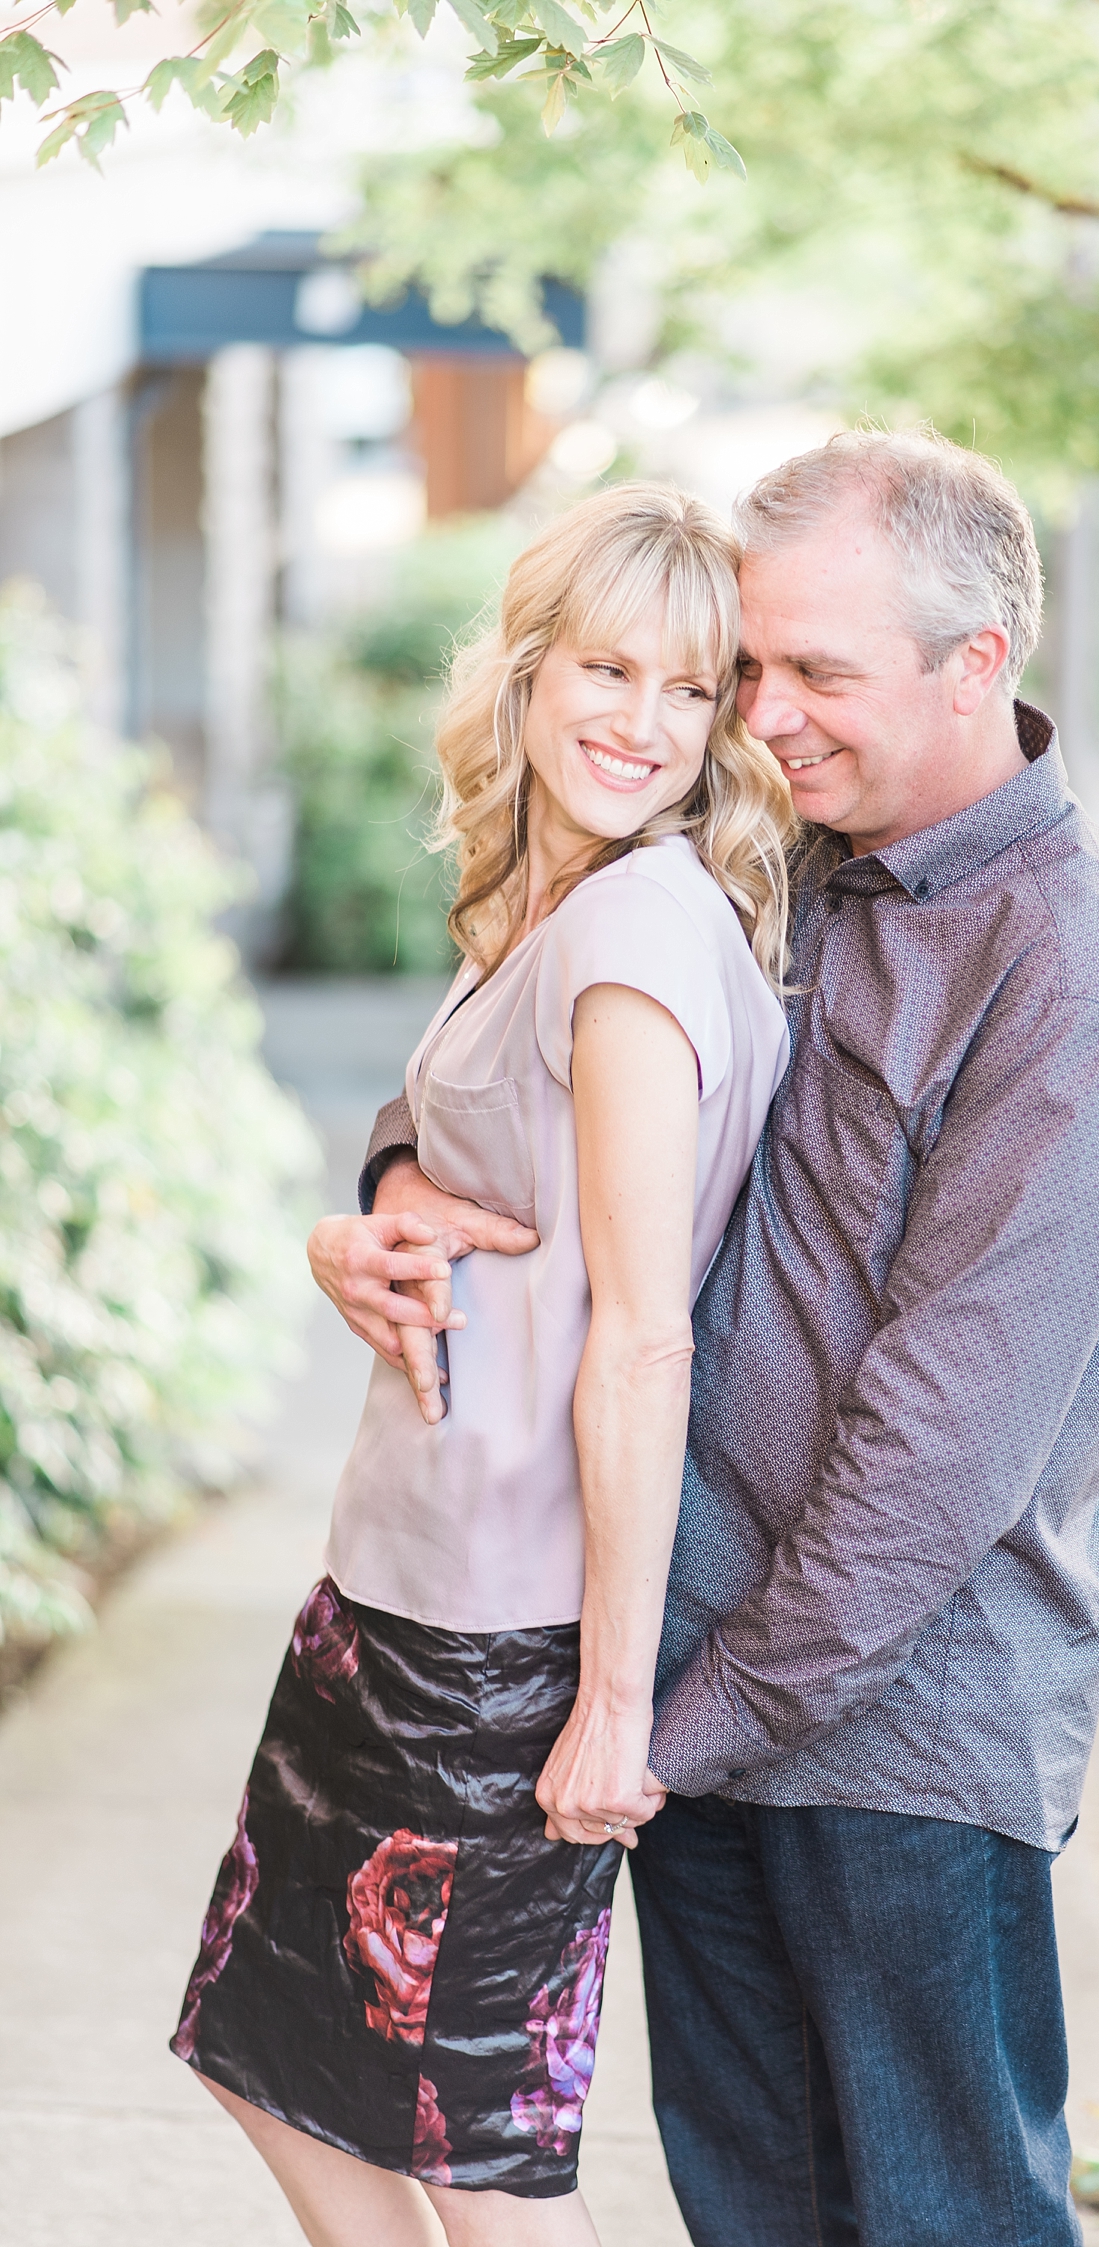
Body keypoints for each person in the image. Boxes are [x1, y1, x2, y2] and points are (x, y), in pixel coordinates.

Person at [319, 430, 1099, 2247]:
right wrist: (402, 1188)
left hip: (898, 1746)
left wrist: (655, 1724)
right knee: (758, 2214)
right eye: (756, 665)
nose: (767, 710)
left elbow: (934, 1463)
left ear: (979, 663)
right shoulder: (768, 862)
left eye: (819, 670)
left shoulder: (1077, 979)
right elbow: (550, 1063)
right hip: (692, 1701)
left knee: (936, 2216)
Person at [171, 483, 793, 2247]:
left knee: (471, 2157)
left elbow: (646, 1327)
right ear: (528, 671)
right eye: (610, 667)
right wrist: (375, 1210)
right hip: (401, 1581)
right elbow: (469, 1165)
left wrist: (608, 1693)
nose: (645, 724)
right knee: (267, 2046)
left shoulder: (640, 934)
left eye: (694, 689)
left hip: (499, 1637)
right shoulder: (559, 900)